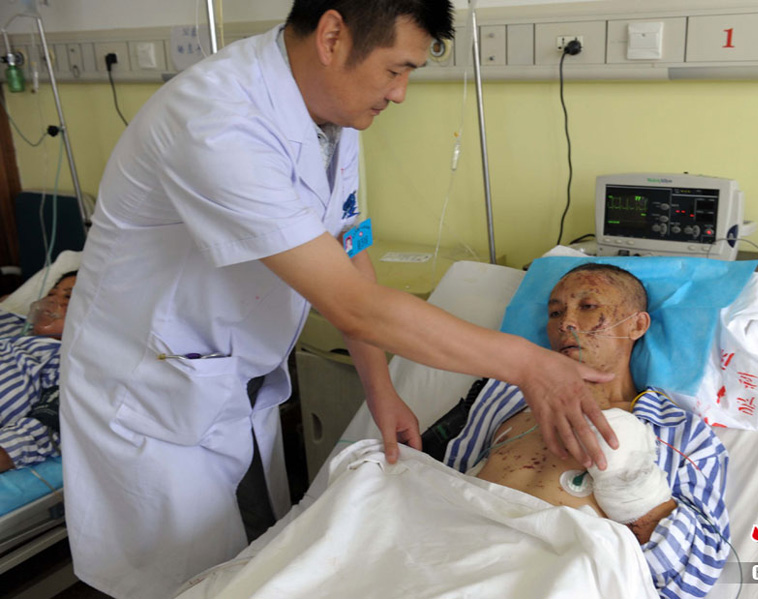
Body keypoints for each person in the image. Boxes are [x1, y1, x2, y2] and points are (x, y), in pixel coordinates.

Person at [59, 2, 620, 598]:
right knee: (180, 584)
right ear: (332, 37)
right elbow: (351, 305)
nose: (400, 93)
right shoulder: (216, 122)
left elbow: (349, 248)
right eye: (395, 70)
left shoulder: (331, 115)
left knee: (252, 566)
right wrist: (530, 365)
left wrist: (380, 389)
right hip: (150, 392)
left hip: (226, 379)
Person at [443, 263, 731, 598]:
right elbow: (441, 483)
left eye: (588, 306)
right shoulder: (502, 395)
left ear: (638, 324)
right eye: (555, 313)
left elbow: (693, 575)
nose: (565, 323)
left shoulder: (682, 433)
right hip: (449, 562)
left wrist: (626, 475)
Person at [0, 272, 77, 473]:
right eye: (51, 294)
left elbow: (49, 427)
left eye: (68, 297)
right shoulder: (10, 324)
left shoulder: (67, 361)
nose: (52, 301)